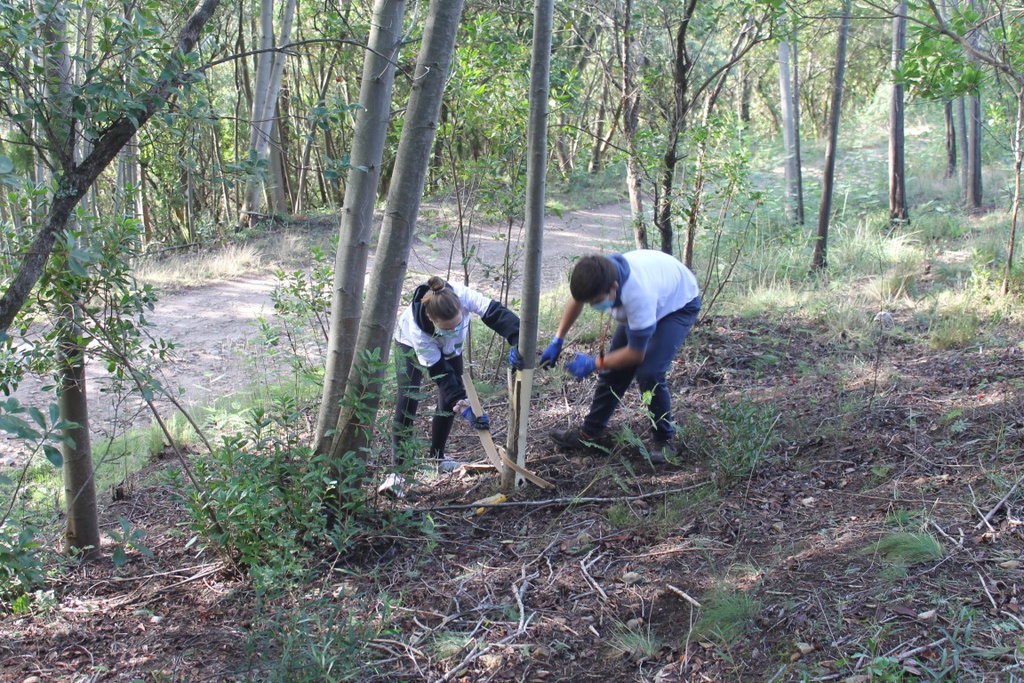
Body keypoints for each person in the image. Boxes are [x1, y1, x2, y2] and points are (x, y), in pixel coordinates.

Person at [540, 250, 701, 464]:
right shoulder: (597, 275)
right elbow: (577, 300)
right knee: (613, 370)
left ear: (614, 287)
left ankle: (664, 439)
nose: (594, 306)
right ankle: (590, 434)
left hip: (677, 305)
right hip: (657, 289)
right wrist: (557, 339)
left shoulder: (638, 296)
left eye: (597, 301)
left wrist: (594, 363)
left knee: (650, 373)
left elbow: (635, 354)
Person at [392, 276, 522, 473]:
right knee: (408, 398)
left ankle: (437, 458)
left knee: (447, 402)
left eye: (457, 324)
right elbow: (441, 374)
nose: (454, 330)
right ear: (431, 319)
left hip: (451, 349)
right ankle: (399, 469)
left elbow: (495, 313)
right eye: (448, 328)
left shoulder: (463, 295)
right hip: (407, 343)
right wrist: (462, 403)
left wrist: (518, 339)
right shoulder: (418, 331)